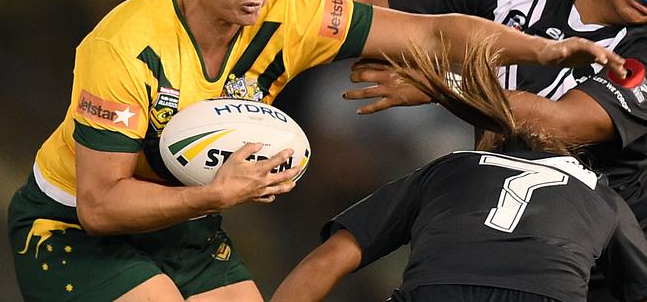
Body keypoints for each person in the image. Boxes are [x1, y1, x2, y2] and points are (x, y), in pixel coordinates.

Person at [7, 0, 626, 302]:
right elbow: (101, 204)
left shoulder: (289, 14)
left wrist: (544, 47)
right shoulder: (123, 46)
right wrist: (219, 195)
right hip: (73, 232)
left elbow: (436, 36)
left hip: (183, 223)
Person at [330, 0, 647, 235]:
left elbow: (560, 124)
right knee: (344, 244)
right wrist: (277, 17)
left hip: (607, 258)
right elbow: (363, 7)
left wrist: (437, 84)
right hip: (502, 217)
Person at [270, 39, 647, 302]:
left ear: (489, 139)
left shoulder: (451, 167)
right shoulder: (602, 195)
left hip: (439, 289)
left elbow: (330, 259)